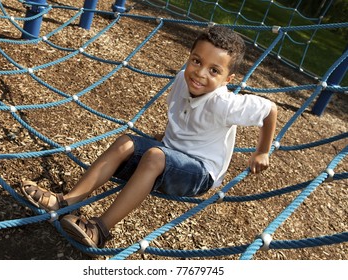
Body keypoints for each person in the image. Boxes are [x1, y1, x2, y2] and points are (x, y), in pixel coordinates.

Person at [21, 25, 278, 249]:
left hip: (200, 173)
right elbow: (186, 116)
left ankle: (100, 229)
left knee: (154, 156)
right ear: (189, 58)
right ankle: (68, 201)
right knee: (126, 142)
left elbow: (270, 110)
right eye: (197, 61)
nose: (200, 73)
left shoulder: (226, 104)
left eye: (214, 70)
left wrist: (262, 151)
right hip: (169, 154)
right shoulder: (182, 79)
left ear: (227, 79)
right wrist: (168, 135)